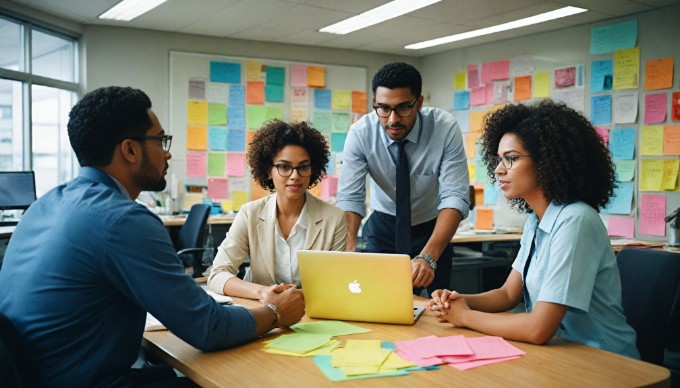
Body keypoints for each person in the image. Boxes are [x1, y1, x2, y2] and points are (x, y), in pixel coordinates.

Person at [0, 86, 305, 387]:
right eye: (160, 140)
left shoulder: (45, 204)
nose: (168, 151)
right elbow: (207, 328)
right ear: (130, 150)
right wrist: (275, 312)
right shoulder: (123, 220)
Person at [426, 100, 639, 358]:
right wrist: (457, 301)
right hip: (560, 353)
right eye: (499, 159)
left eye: (511, 159)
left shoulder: (576, 220)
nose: (499, 170)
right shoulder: (537, 220)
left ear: (547, 161)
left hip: (605, 360)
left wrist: (465, 317)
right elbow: (507, 294)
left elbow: (538, 328)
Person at [336, 61, 470, 295]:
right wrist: (348, 250)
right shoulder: (361, 134)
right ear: (374, 104)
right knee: (377, 299)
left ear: (418, 103)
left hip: (432, 227)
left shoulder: (444, 128)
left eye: (403, 108)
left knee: (439, 306)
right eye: (384, 108)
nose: (392, 119)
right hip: (383, 225)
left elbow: (455, 197)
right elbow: (350, 198)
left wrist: (428, 257)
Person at [207, 120, 347, 300]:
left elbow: (336, 283)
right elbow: (217, 274)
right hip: (260, 311)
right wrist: (263, 292)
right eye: (284, 167)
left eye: (303, 167)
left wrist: (296, 298)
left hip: (312, 313)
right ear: (268, 171)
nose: (295, 176)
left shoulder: (334, 219)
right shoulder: (250, 214)